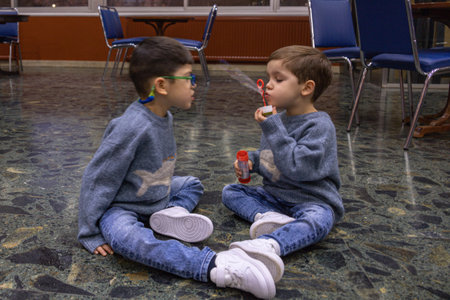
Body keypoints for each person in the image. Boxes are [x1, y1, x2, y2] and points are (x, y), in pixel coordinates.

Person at [77, 36, 276, 299]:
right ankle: (215, 266)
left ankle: (171, 213)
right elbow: (98, 179)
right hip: (123, 207)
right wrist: (89, 231)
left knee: (192, 183)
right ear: (161, 85)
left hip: (156, 196)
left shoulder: (164, 115)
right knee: (127, 239)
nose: (195, 85)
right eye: (189, 78)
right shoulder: (131, 127)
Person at [222, 45, 345, 283]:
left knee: (320, 221)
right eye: (268, 78)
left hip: (310, 200)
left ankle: (270, 243)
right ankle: (268, 219)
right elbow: (271, 155)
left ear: (307, 88)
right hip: (275, 197)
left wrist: (272, 127)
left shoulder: (319, 126)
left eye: (278, 79)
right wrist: (253, 162)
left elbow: (298, 167)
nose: (268, 85)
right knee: (231, 192)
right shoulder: (276, 119)